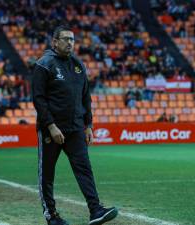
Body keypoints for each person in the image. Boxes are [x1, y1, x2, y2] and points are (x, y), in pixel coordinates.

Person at [32, 25, 118, 225]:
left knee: (84, 168)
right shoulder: (44, 64)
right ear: (54, 42)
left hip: (76, 128)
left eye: (72, 39)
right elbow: (38, 99)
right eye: (65, 39)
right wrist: (51, 126)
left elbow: (85, 97)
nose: (70, 42)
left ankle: (95, 210)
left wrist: (89, 124)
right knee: (47, 173)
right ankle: (51, 216)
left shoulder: (78, 65)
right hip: (51, 130)